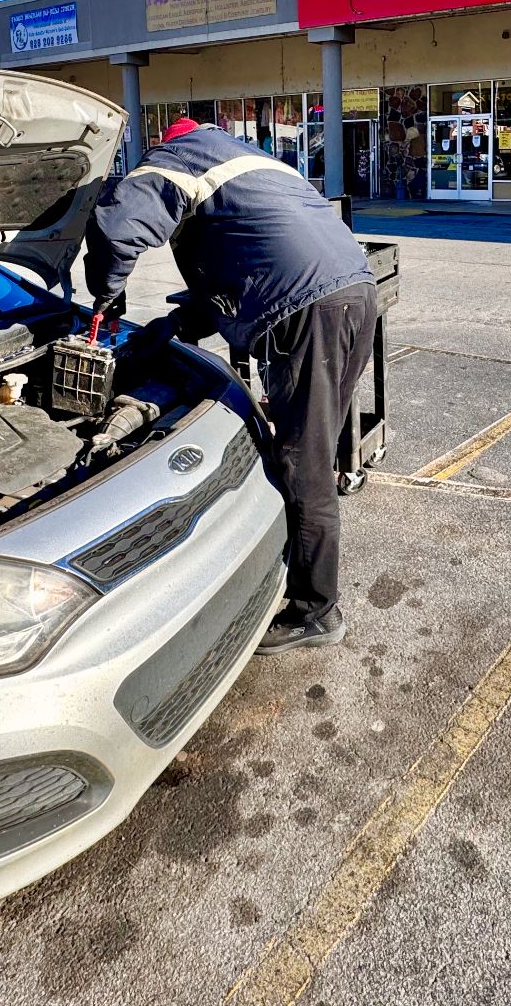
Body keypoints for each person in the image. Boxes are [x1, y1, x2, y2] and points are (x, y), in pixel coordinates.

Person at [81, 117, 378, 654]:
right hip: (352, 292)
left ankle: (317, 611)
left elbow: (117, 225)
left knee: (300, 461)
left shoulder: (180, 157)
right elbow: (250, 260)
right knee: (310, 448)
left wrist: (104, 294)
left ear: (166, 145)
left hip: (310, 310)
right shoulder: (247, 165)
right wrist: (170, 329)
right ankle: (300, 554)